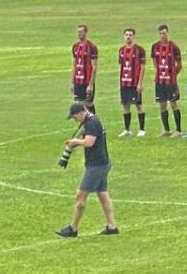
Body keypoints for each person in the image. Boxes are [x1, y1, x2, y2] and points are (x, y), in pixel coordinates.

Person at [56, 102, 119, 238]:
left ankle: (73, 228)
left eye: (75, 117)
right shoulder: (93, 120)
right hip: (101, 163)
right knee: (103, 195)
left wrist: (76, 142)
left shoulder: (91, 123)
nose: (75, 120)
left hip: (96, 166)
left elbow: (89, 142)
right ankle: (112, 226)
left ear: (81, 112)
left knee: (80, 195)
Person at [151, 24, 182, 137]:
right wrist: (159, 71)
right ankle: (166, 130)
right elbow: (154, 60)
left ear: (168, 33)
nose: (162, 35)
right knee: (162, 105)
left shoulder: (174, 47)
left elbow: (179, 64)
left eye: (164, 33)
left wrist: (172, 74)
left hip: (171, 82)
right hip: (160, 81)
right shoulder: (155, 46)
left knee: (173, 104)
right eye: (160, 33)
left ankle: (178, 130)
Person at [117, 28, 146, 137]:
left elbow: (143, 67)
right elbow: (120, 67)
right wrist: (119, 82)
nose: (128, 37)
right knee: (125, 105)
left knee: (138, 105)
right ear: (124, 36)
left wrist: (140, 83)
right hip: (124, 82)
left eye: (130, 35)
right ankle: (127, 129)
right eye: (126, 35)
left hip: (134, 83)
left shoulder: (139, 50)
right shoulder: (121, 50)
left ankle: (142, 129)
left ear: (134, 36)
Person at [71, 24, 98, 114]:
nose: (79, 34)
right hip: (78, 81)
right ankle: (86, 125)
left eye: (81, 32)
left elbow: (94, 67)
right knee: (80, 103)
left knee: (88, 103)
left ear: (85, 32)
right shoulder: (75, 46)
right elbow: (74, 65)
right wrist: (72, 82)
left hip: (86, 81)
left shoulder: (92, 47)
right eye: (78, 32)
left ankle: (94, 122)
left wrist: (90, 84)